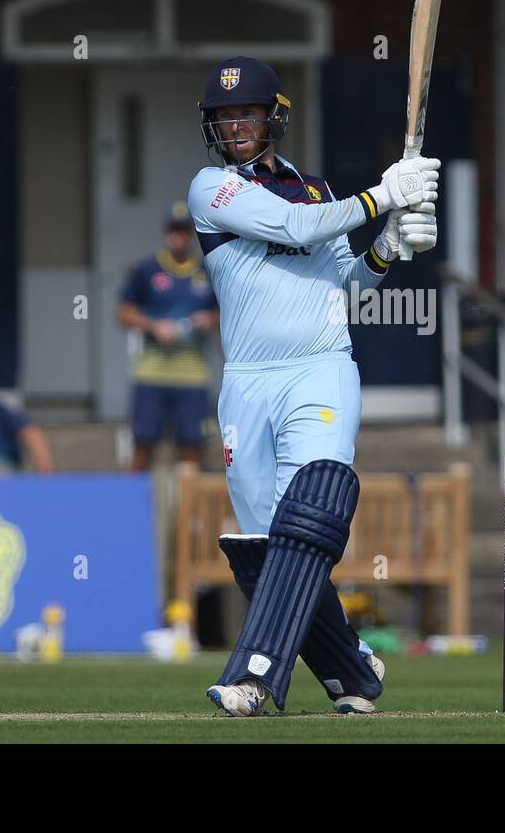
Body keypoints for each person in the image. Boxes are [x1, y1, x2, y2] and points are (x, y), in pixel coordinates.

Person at [188, 56, 437, 717]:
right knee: (265, 549)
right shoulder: (212, 188)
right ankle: (352, 671)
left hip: (320, 365)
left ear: (274, 116)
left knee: (313, 507)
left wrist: (390, 243)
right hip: (246, 382)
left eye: (247, 112)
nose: (237, 124)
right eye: (225, 115)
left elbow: (347, 288)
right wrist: (384, 197)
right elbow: (290, 228)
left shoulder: (319, 192)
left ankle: (255, 673)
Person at [117, 204, 219, 471]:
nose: (179, 236)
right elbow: (123, 314)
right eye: (174, 230)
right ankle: (134, 506)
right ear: (166, 232)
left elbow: (228, 312)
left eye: (185, 230)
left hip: (193, 372)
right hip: (152, 372)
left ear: (192, 234)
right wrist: (153, 326)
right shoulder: (147, 270)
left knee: (192, 444)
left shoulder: (207, 272)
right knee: (143, 442)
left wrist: (209, 319)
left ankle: (187, 511)